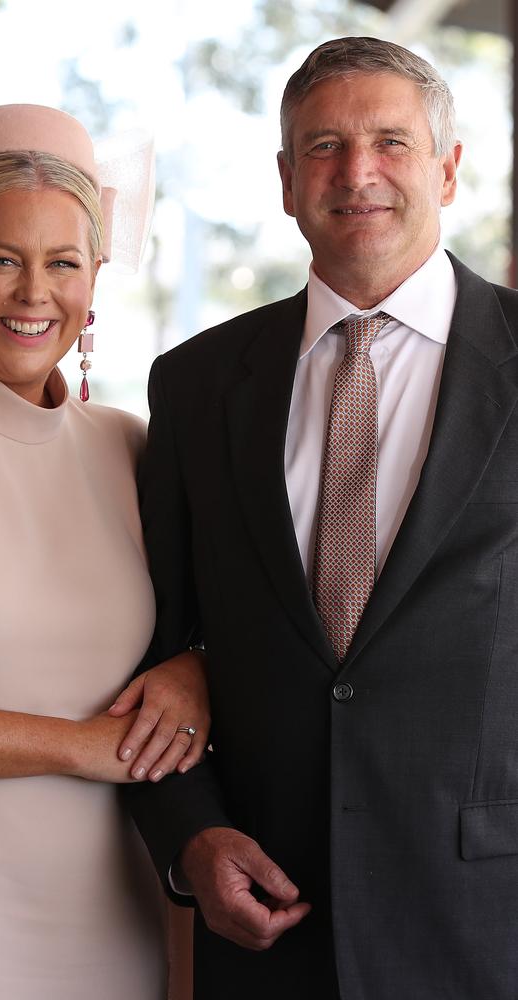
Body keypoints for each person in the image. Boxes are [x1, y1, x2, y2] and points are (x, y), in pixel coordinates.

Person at [128, 35, 518, 999]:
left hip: (487, 921)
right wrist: (192, 836)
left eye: (391, 141)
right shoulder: (196, 385)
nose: (358, 173)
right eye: (324, 147)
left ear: (449, 168)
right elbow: (152, 648)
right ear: (286, 181)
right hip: (268, 917)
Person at [0, 104, 209, 1000]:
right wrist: (83, 748)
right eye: (1, 260)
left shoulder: (129, 446)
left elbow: (196, 637)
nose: (34, 294)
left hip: (116, 909)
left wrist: (194, 672)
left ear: (96, 276)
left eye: (62, 263)